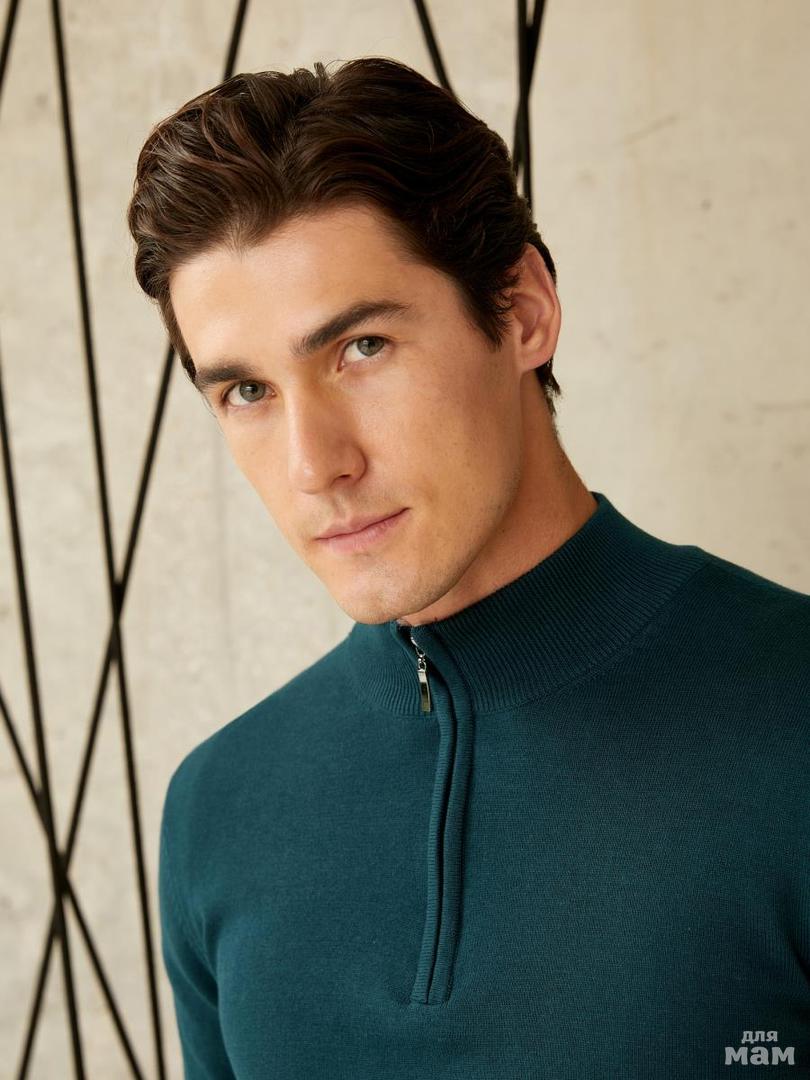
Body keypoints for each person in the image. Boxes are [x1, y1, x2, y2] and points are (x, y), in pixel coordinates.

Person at [126, 57, 810, 1079]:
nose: (315, 466)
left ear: (523, 311)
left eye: (361, 348)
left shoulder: (791, 721)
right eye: (247, 392)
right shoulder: (219, 810)